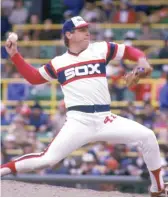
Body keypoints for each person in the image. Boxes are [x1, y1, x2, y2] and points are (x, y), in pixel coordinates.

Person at [0, 16, 167, 197]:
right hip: (79, 121)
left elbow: (129, 51)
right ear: (69, 35)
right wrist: (15, 55)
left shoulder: (100, 49)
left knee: (148, 137)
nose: (87, 32)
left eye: (86, 28)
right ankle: (3, 170)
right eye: (81, 30)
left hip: (105, 118)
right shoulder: (59, 62)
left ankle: (157, 189)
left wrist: (141, 60)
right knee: (47, 160)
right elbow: (34, 77)